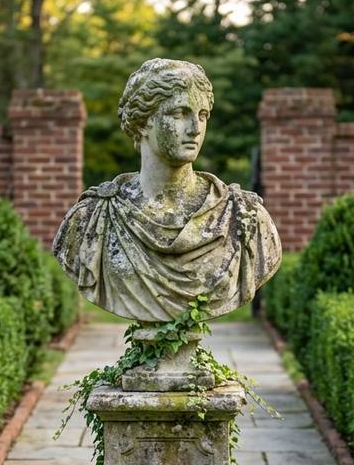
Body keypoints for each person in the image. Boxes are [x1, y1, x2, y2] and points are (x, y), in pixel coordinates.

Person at [53, 58, 281, 323]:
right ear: (143, 122)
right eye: (180, 113)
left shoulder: (246, 217)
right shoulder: (90, 219)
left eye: (202, 115)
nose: (196, 129)